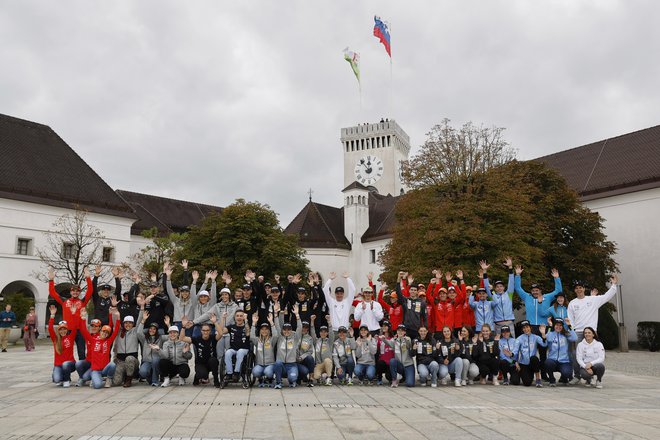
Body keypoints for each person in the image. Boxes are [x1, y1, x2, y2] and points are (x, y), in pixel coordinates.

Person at [567, 275, 618, 383]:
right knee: (576, 354)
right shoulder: (572, 303)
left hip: (591, 332)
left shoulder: (593, 300)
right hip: (578, 332)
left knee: (591, 354)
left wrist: (613, 285)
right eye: (576, 288)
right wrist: (571, 331)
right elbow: (570, 320)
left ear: (584, 289)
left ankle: (588, 376)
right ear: (575, 290)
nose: (579, 289)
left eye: (581, 287)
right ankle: (577, 376)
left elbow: (606, 297)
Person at [514, 265, 562, 380]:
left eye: (537, 290)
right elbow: (518, 288)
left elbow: (558, 291)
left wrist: (556, 278)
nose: (535, 292)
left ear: (540, 291)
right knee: (529, 350)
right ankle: (530, 369)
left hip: (542, 327)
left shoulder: (547, 297)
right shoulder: (527, 297)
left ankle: (544, 373)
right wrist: (518, 275)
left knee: (543, 352)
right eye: (533, 290)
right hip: (530, 328)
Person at [48, 266, 93, 360]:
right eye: (73, 291)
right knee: (66, 351)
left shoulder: (82, 302)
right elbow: (52, 292)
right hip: (67, 331)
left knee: (81, 352)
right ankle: (66, 369)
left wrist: (88, 278)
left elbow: (90, 291)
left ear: (79, 293)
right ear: (70, 292)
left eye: (77, 291)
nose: (75, 293)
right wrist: (51, 280)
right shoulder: (65, 301)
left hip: (80, 330)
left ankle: (82, 372)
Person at [79, 307, 121, 389]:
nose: (104, 333)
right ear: (100, 331)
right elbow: (84, 330)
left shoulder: (108, 341)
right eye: (103, 331)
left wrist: (118, 318)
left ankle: (109, 378)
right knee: (97, 386)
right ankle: (96, 379)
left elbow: (115, 330)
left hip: (105, 369)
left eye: (106, 333)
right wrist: (83, 318)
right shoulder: (93, 340)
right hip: (96, 370)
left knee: (112, 364)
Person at [180, 316, 222, 387]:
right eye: (204, 330)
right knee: (203, 375)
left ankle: (216, 380)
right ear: (201, 331)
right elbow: (182, 338)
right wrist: (183, 327)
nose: (205, 332)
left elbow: (220, 334)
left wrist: (215, 322)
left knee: (213, 360)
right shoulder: (196, 339)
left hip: (210, 362)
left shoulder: (213, 338)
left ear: (210, 331)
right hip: (200, 363)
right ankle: (197, 376)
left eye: (207, 330)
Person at [111, 305, 144, 388]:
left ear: (133, 324)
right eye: (126, 323)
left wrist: (142, 307)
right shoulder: (119, 332)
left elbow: (140, 320)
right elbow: (115, 321)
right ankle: (123, 375)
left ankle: (129, 379)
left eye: (130, 323)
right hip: (121, 361)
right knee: (116, 382)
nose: (128, 325)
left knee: (129, 359)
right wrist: (114, 308)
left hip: (132, 360)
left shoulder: (135, 331)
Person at [484, 259, 516, 337]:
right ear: (495, 288)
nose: (499, 288)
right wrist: (484, 271)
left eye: (501, 286)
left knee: (512, 344)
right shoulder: (492, 296)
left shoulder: (509, 294)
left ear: (504, 287)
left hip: (509, 323)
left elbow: (511, 282)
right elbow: (486, 286)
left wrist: (510, 267)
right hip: (498, 324)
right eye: (497, 287)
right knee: (498, 345)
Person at [47, 305, 77, 387]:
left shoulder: (70, 337)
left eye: (64, 329)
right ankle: (59, 375)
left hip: (70, 364)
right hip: (58, 365)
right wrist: (52, 316)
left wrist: (73, 314)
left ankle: (67, 380)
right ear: (58, 330)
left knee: (65, 365)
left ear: (67, 330)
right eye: (61, 329)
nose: (63, 331)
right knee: (57, 380)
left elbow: (75, 326)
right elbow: (50, 329)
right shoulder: (56, 339)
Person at [542, 318, 577, 386]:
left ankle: (564, 378)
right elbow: (545, 342)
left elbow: (574, 338)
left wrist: (569, 325)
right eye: (556, 325)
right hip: (553, 360)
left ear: (562, 326)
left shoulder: (565, 334)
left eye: (560, 325)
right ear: (554, 326)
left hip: (564, 361)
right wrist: (549, 326)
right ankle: (552, 380)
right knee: (548, 363)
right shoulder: (551, 334)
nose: (558, 327)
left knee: (567, 372)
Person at [219, 310, 250, 383]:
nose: (239, 317)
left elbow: (248, 331)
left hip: (244, 349)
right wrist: (223, 318)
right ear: (234, 317)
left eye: (241, 316)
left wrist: (246, 320)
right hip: (233, 349)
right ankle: (229, 373)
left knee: (240, 351)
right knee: (228, 352)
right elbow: (221, 331)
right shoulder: (231, 327)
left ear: (243, 317)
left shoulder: (246, 326)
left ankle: (236, 372)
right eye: (237, 316)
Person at [136, 310, 166, 386]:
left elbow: (171, 336)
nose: (151, 330)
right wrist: (143, 320)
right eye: (150, 328)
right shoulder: (145, 338)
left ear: (156, 331)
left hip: (157, 361)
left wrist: (168, 325)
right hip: (147, 361)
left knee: (155, 360)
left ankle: (155, 381)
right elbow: (139, 332)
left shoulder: (161, 338)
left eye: (154, 329)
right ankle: (150, 378)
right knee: (142, 372)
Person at [250, 312, 279, 387]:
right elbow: (252, 336)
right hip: (259, 364)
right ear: (260, 331)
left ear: (269, 331)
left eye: (266, 329)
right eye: (262, 329)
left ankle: (270, 378)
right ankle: (261, 378)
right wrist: (253, 323)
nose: (264, 331)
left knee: (268, 372)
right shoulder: (257, 340)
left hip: (270, 364)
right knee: (255, 372)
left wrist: (271, 322)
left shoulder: (272, 340)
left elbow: (276, 335)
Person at [515, 320, 546, 387]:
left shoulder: (536, 337)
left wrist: (543, 334)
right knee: (527, 383)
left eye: (527, 327)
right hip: (524, 364)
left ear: (530, 327)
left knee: (534, 358)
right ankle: (522, 374)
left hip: (532, 363)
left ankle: (538, 379)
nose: (526, 329)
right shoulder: (519, 339)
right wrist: (515, 361)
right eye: (524, 328)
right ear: (522, 329)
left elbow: (544, 344)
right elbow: (515, 351)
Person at [274, 316, 301, 388]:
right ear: (282, 330)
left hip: (291, 365)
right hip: (281, 364)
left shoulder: (295, 338)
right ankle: (278, 382)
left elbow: (299, 328)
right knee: (277, 363)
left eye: (289, 330)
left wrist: (297, 316)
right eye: (285, 330)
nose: (286, 331)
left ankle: (292, 381)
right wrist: (276, 315)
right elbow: (277, 326)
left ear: (291, 330)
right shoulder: (279, 338)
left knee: (292, 378)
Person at [294, 306, 316, 387]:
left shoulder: (310, 338)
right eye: (303, 327)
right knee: (301, 371)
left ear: (308, 329)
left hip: (303, 360)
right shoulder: (295, 335)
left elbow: (310, 352)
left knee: (310, 358)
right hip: (294, 360)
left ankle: (310, 379)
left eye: (306, 327)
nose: (304, 329)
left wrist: (302, 357)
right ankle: (298, 378)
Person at [311, 315, 334, 386]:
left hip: (327, 363)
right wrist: (312, 321)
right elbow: (313, 333)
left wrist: (329, 322)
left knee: (327, 360)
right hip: (319, 364)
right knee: (315, 376)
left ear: (327, 333)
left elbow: (332, 334)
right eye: (321, 332)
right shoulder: (317, 341)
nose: (323, 333)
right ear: (319, 332)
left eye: (325, 332)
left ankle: (329, 378)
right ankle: (320, 377)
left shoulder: (329, 341)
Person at [375, 321, 394, 385]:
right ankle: (379, 378)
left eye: (386, 326)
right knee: (379, 363)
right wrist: (375, 341)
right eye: (383, 326)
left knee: (389, 376)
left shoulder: (393, 338)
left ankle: (391, 378)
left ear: (389, 327)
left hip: (390, 361)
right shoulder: (379, 338)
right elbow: (376, 350)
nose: (384, 327)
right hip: (382, 361)